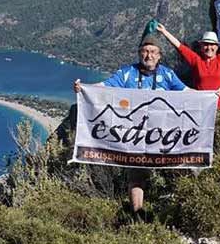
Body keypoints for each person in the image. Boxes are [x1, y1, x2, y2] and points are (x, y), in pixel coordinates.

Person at [73, 31, 187, 217]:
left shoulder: (167, 74)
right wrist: (84, 88)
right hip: (134, 136)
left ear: (159, 55)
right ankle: (138, 214)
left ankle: (176, 213)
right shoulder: (127, 73)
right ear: (139, 53)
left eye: (152, 51)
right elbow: (106, 86)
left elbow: (186, 92)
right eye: (145, 51)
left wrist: (208, 96)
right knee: (136, 175)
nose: (148, 55)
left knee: (176, 170)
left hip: (163, 135)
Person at [155, 22, 220, 109]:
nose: (209, 47)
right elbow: (179, 47)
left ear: (217, 47)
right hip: (202, 108)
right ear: (201, 47)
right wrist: (164, 32)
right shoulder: (196, 61)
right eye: (206, 44)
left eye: (212, 44)